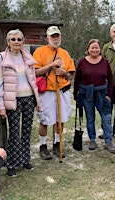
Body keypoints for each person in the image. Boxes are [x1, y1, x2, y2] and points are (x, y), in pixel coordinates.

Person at [0, 29, 41, 176]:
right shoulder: (2, 58)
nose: (16, 42)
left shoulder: (28, 57)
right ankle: (12, 163)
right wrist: (1, 106)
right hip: (12, 99)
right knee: (14, 132)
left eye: (19, 39)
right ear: (8, 42)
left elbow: (33, 80)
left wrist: (37, 100)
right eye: (13, 39)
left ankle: (25, 159)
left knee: (27, 130)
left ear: (23, 41)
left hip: (28, 98)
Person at [33, 26, 75, 160]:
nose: (55, 39)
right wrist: (51, 65)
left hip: (62, 90)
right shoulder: (40, 52)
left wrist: (65, 73)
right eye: (53, 36)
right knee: (45, 120)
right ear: (48, 38)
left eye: (57, 36)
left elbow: (71, 72)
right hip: (47, 91)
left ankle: (57, 144)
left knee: (60, 119)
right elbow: (35, 72)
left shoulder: (65, 53)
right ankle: (43, 146)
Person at [73, 39, 115, 153]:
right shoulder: (82, 62)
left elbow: (110, 79)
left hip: (102, 94)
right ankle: (92, 139)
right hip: (87, 94)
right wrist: (76, 95)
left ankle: (108, 141)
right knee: (90, 118)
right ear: (88, 49)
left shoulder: (105, 62)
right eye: (92, 48)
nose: (94, 50)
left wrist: (109, 95)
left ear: (100, 49)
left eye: (96, 47)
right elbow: (77, 80)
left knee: (106, 118)